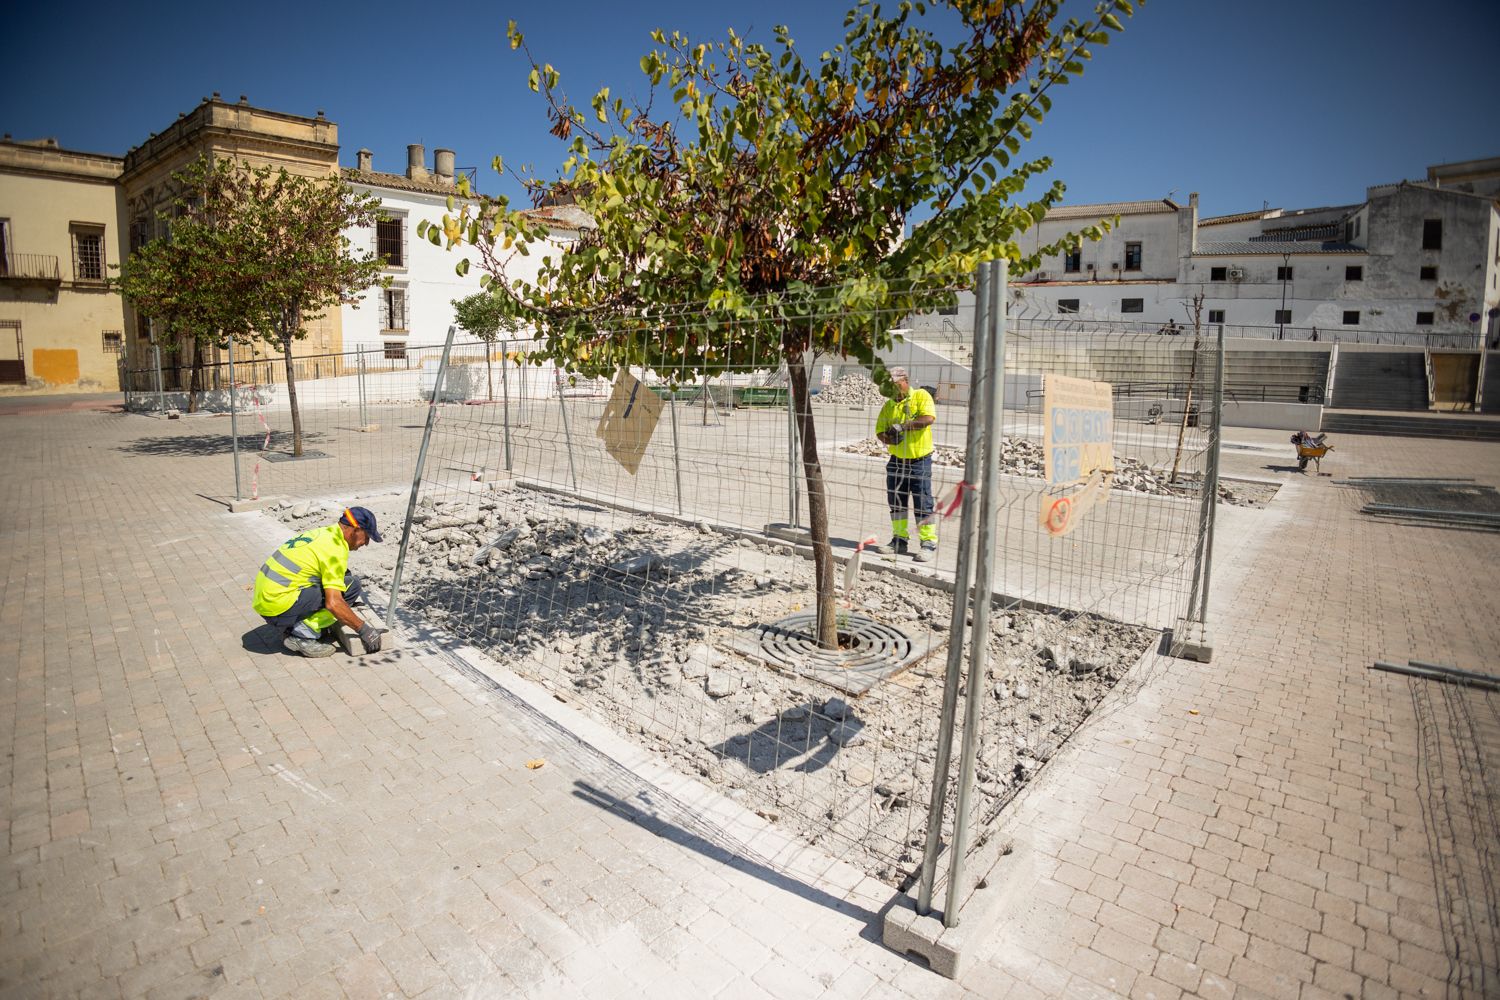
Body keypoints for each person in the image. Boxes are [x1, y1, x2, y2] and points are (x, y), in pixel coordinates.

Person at [253, 506, 385, 657]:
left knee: (346, 581)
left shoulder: (324, 533)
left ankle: (293, 624)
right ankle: (301, 635)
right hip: (275, 605)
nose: (366, 543)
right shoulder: (334, 549)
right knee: (351, 588)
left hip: (265, 599)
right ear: (356, 530)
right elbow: (333, 603)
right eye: (367, 536)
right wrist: (363, 629)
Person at [873, 367, 938, 562]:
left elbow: (928, 418)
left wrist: (904, 426)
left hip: (920, 461)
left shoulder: (920, 395)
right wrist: (889, 439)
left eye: (893, 385)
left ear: (904, 381)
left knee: (922, 502)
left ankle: (928, 543)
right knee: (897, 502)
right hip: (896, 462)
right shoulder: (888, 406)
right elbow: (879, 431)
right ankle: (899, 540)